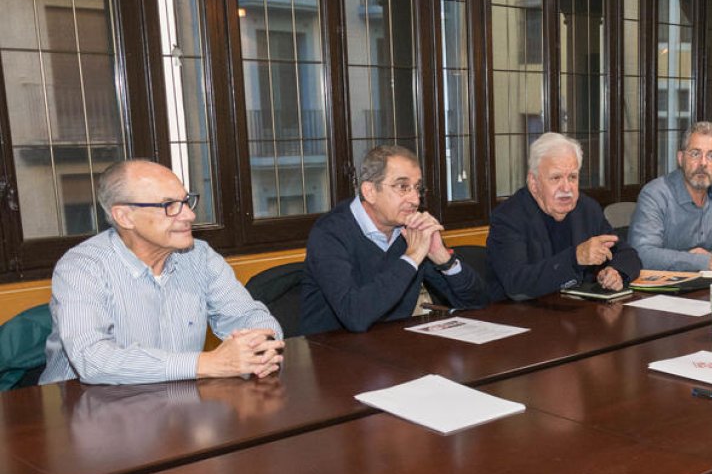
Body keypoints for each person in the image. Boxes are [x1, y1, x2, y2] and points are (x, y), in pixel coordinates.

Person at [41, 160, 283, 385]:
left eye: (186, 201)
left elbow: (248, 316)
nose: (189, 215)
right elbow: (92, 359)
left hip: (175, 402)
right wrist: (206, 363)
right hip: (84, 409)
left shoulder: (199, 257)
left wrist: (262, 349)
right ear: (125, 216)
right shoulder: (82, 267)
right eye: (170, 206)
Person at [302, 145, 487, 334]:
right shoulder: (329, 233)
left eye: (417, 188)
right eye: (402, 187)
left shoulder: (412, 228)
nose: (415, 200)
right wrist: (412, 257)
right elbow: (355, 316)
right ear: (370, 191)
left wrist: (443, 259)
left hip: (394, 347)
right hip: (332, 354)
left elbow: (477, 303)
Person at [487, 132, 641, 301]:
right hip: (524, 316)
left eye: (572, 177)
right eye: (556, 178)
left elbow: (627, 254)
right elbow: (516, 283)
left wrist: (615, 271)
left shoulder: (587, 209)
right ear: (533, 182)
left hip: (577, 315)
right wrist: (575, 258)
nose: (566, 188)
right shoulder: (509, 217)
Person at [628, 122, 712, 271]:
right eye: (695, 154)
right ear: (681, 158)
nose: (703, 163)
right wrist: (708, 262)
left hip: (709, 286)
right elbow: (642, 254)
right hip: (666, 288)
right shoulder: (655, 194)